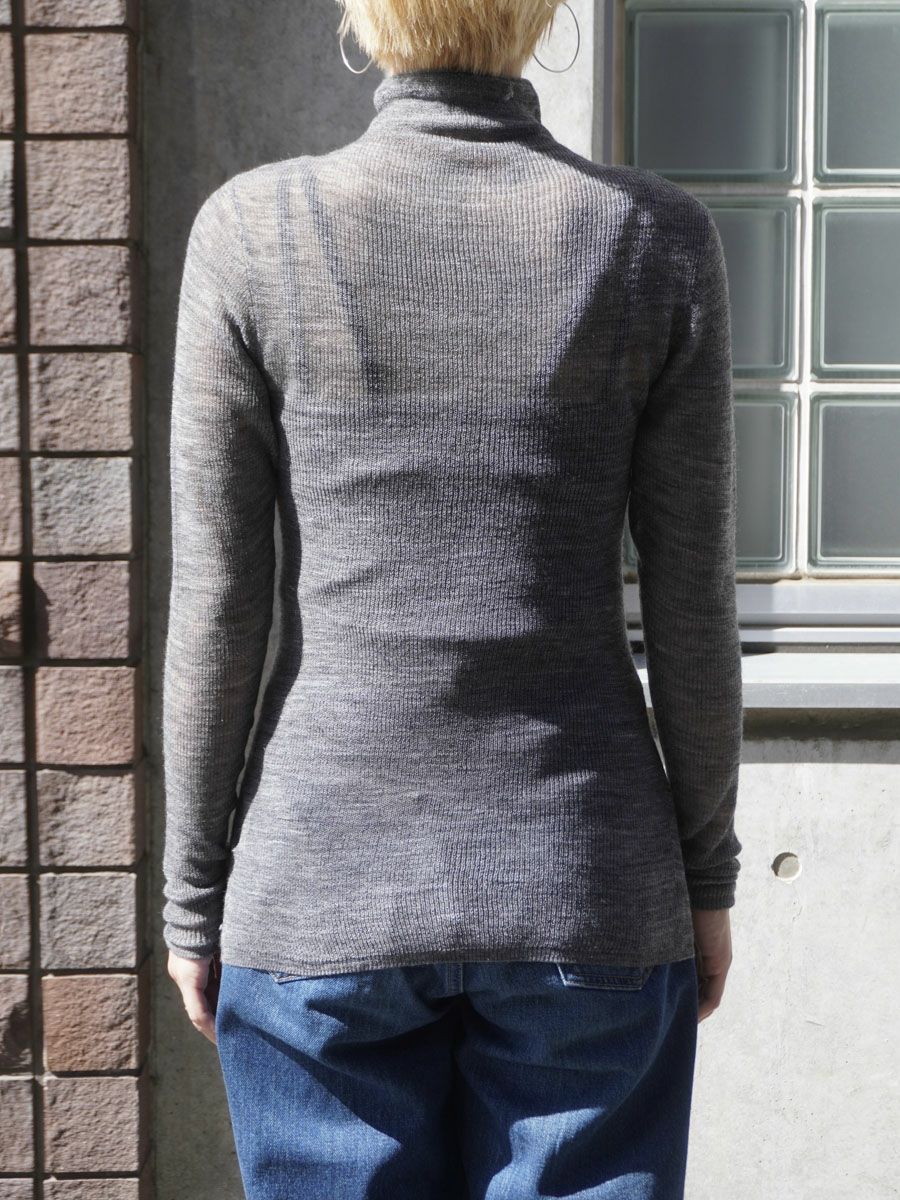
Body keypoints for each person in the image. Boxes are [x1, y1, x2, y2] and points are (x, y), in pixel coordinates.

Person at [161, 0, 743, 1195]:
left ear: (361, 17)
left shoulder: (253, 230)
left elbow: (220, 603)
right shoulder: (652, 239)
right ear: (543, 17)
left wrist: (191, 898)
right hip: (587, 881)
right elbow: (694, 604)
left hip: (319, 889)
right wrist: (706, 879)